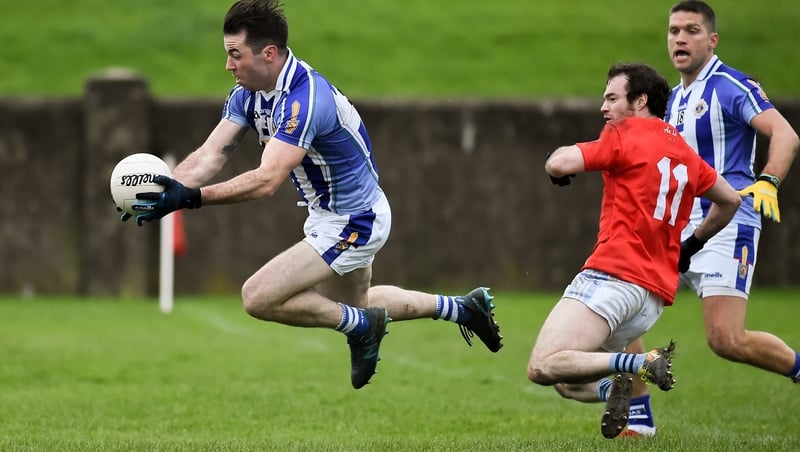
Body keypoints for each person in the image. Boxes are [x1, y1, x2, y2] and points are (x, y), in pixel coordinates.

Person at [117, 0, 503, 389]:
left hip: (355, 219)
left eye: (235, 55)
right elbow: (210, 154)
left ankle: (362, 328)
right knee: (358, 304)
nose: (229, 65)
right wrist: (165, 189)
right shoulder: (247, 95)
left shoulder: (304, 98)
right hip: (332, 215)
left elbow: (267, 180)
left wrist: (191, 199)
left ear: (268, 53)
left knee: (258, 297)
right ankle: (462, 309)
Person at [613, 0, 800, 438]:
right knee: (621, 305)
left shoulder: (731, 86)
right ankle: (639, 418)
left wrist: (768, 180)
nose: (679, 38)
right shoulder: (673, 99)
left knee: (725, 340)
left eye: (691, 30)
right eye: (674, 30)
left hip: (726, 221)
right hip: (675, 225)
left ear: (711, 40)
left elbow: (786, 134)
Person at [526, 62, 742, 439]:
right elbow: (729, 201)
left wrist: (557, 170)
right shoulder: (684, 152)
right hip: (651, 301)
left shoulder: (625, 133)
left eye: (612, 98)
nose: (603, 108)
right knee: (565, 379)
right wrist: (691, 246)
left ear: (640, 101)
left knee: (542, 366)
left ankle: (640, 362)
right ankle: (617, 387)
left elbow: (559, 162)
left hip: (613, 278)